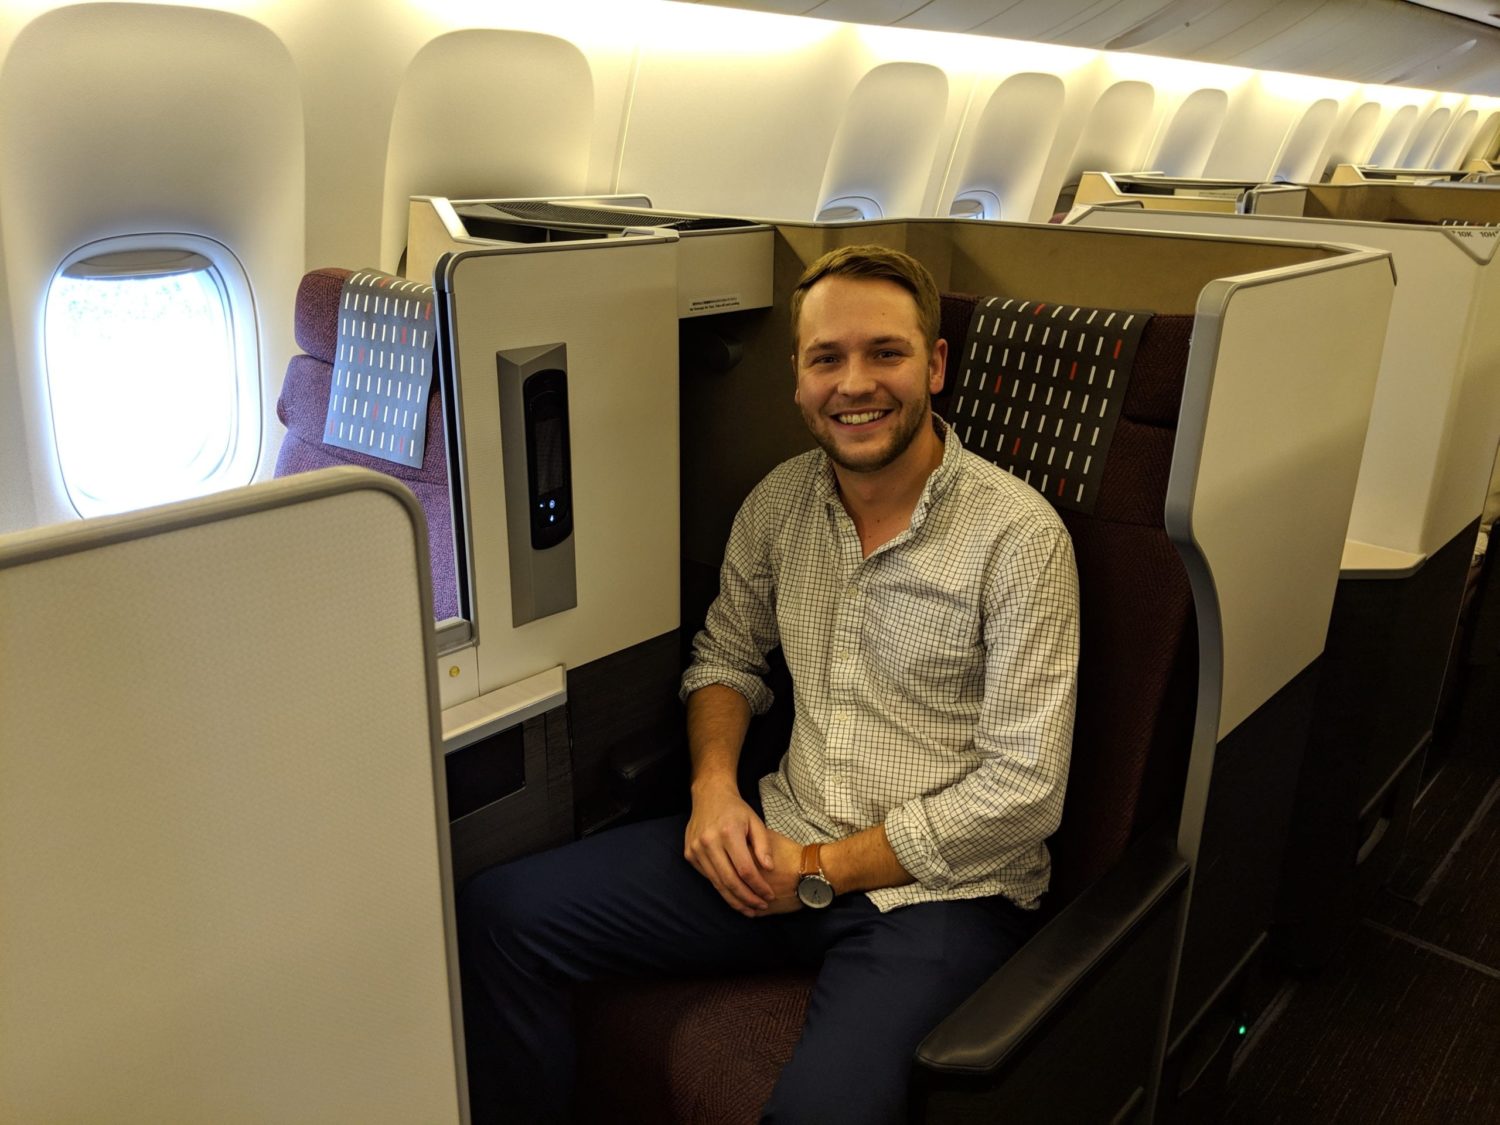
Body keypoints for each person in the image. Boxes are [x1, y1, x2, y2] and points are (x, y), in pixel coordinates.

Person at [457, 244, 1080, 1124]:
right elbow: (725, 660)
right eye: (827, 358)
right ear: (797, 377)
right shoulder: (781, 503)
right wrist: (714, 790)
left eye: (886, 353)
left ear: (934, 365)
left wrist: (821, 870)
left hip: (941, 895)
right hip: (775, 842)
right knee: (499, 916)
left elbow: (1024, 791)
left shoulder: (1019, 538)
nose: (854, 383)